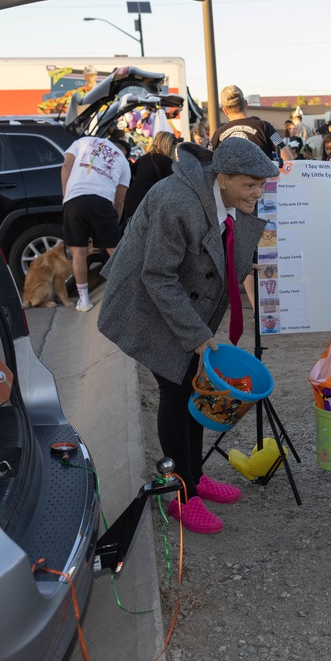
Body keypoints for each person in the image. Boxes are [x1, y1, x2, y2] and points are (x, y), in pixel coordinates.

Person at [97, 138, 279, 533]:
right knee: (176, 391)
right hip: (148, 304)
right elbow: (156, 276)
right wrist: (198, 336)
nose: (257, 193)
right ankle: (181, 494)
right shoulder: (177, 201)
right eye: (250, 185)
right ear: (223, 177)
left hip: (183, 305)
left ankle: (194, 475)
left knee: (195, 389)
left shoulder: (224, 197)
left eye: (262, 184)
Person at [60, 133, 131, 312]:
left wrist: (66, 196)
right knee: (114, 250)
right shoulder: (123, 161)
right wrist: (115, 221)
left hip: (74, 199)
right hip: (102, 201)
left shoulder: (83, 141)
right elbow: (120, 201)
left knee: (79, 251)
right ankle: (128, 294)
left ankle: (84, 301)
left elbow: (66, 165)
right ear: (124, 150)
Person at [210, 84, 291, 165]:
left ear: (224, 110)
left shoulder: (217, 135)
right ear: (245, 103)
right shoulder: (265, 127)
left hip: (229, 177)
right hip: (263, 176)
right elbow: (288, 158)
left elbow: (208, 163)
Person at [120, 130, 176, 227]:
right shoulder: (167, 162)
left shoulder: (144, 158)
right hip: (149, 201)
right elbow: (173, 185)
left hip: (132, 197)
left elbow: (129, 173)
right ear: (169, 146)